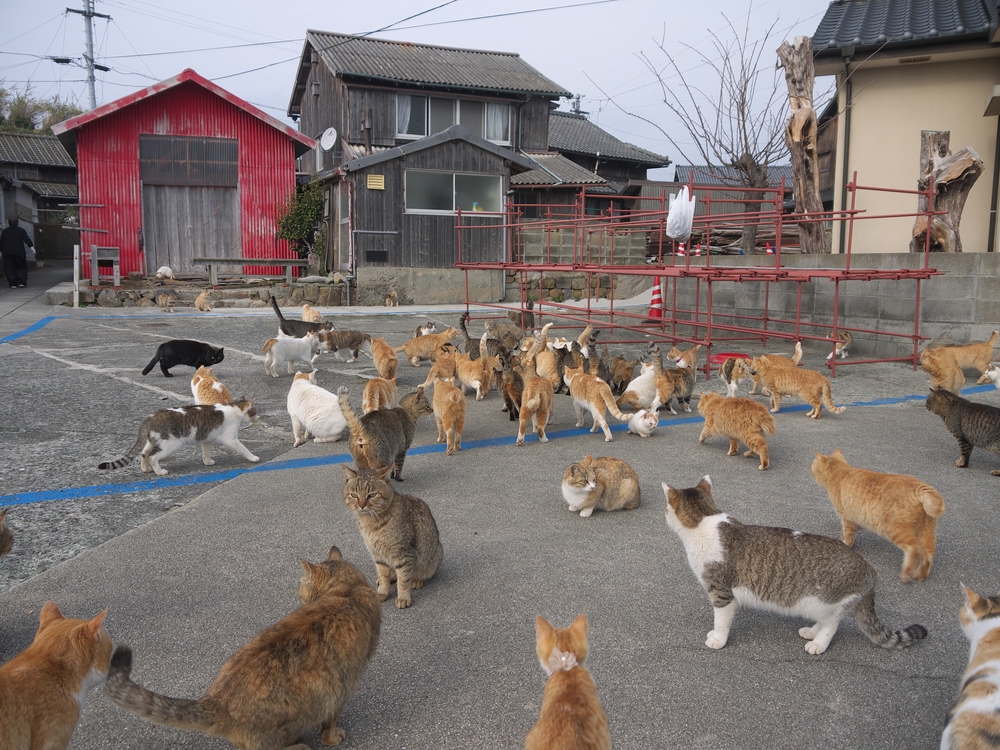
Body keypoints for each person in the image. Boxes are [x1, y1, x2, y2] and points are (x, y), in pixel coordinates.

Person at [0, 216, 33, 288]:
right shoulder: (21, 230)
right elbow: (26, 239)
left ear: (8, 223)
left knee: (9, 268)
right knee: (21, 266)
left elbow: (1, 242)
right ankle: (22, 282)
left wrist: (1, 250)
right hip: (19, 252)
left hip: (7, 252)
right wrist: (31, 247)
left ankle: (13, 283)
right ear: (17, 223)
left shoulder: (5, 231)